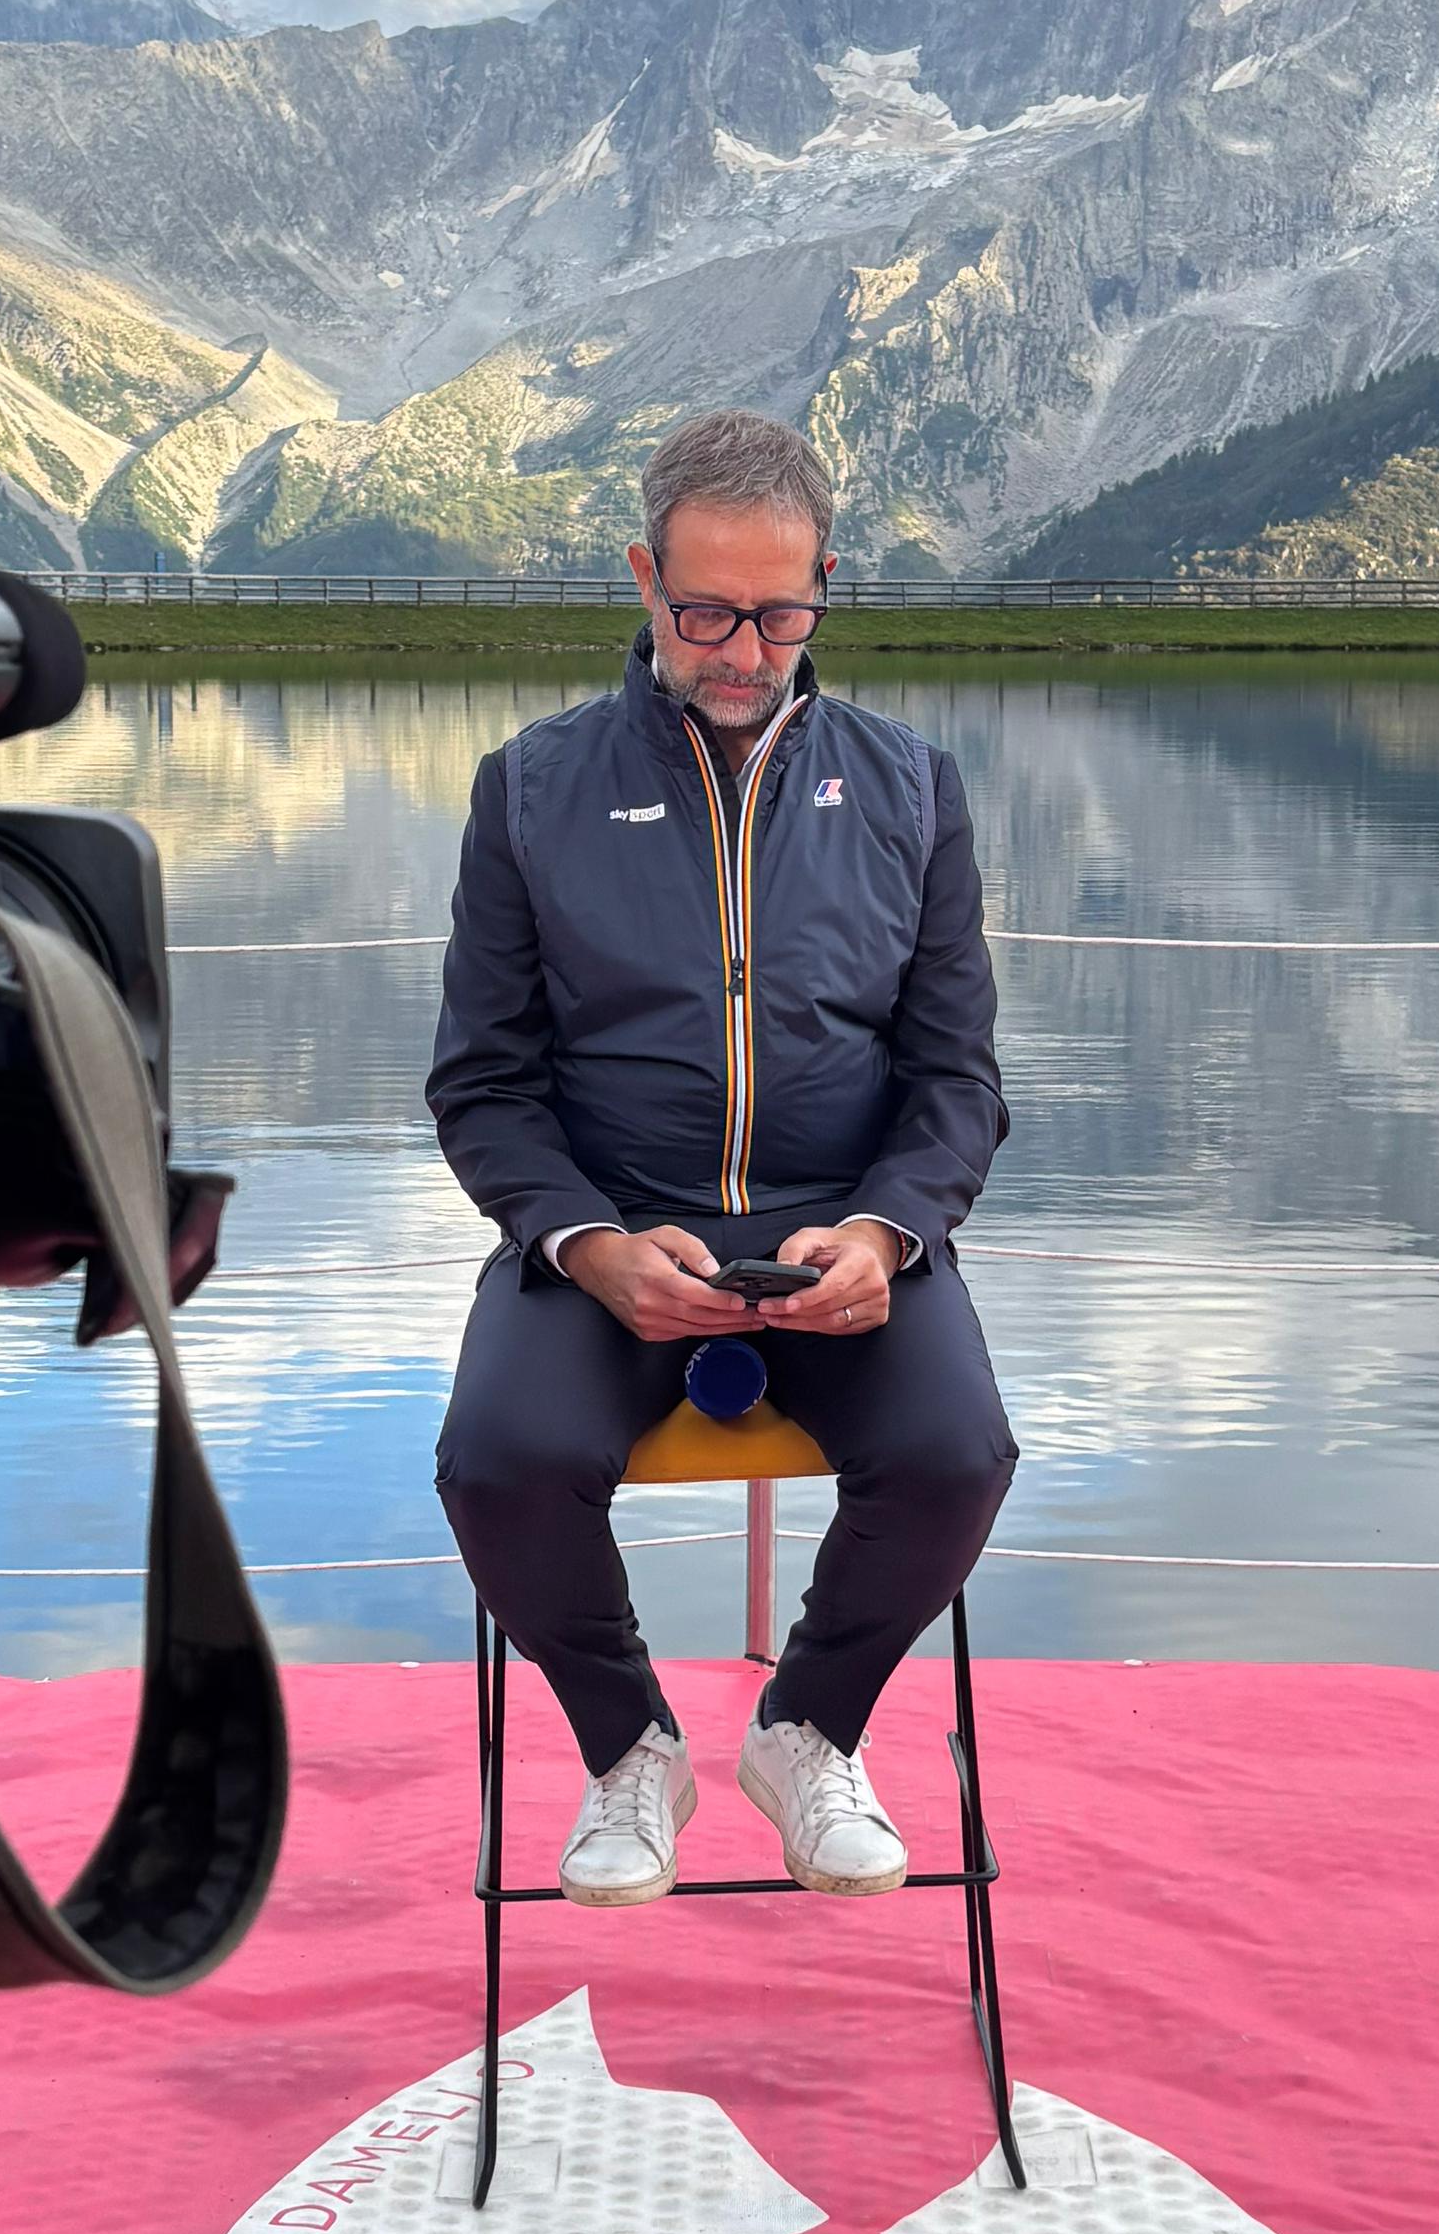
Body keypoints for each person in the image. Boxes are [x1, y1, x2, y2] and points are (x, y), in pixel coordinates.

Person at [429, 409, 1014, 1907]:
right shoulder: (530, 788)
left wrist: (887, 1232)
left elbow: (956, 1081)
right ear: (644, 578)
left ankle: (806, 1729)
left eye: (781, 613)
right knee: (499, 1464)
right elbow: (484, 1087)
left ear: (826, 586)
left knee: (957, 1456)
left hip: (843, 1236)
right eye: (705, 613)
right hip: (610, 1231)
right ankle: (632, 1750)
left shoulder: (913, 788)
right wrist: (586, 1244)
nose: (746, 652)